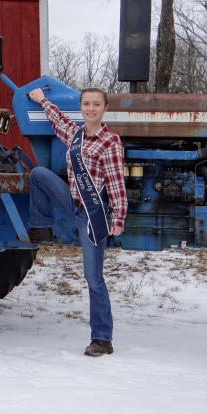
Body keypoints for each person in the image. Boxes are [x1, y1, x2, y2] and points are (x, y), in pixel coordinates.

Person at [27, 86, 127, 357]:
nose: (91, 109)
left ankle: (102, 339)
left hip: (94, 214)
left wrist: (117, 218)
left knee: (93, 277)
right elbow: (58, 120)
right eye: (86, 104)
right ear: (81, 107)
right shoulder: (75, 135)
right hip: (72, 203)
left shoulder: (110, 142)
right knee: (38, 174)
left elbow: (116, 183)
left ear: (104, 109)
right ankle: (41, 227)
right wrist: (42, 100)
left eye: (96, 104)